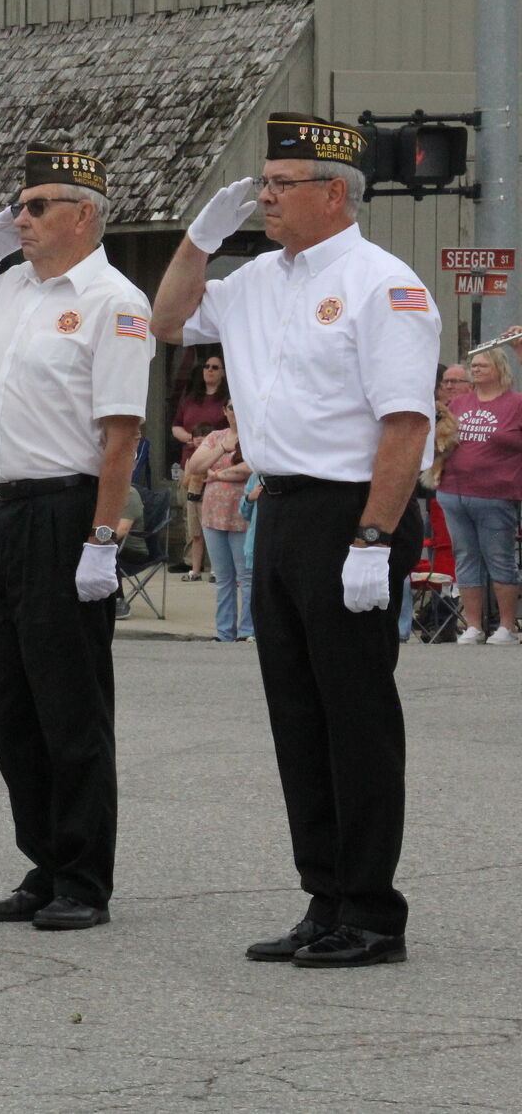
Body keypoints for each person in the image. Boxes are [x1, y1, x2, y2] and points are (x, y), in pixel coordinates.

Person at [152, 111, 436, 968]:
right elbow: (169, 319)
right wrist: (201, 236)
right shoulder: (256, 280)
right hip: (278, 506)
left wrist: (373, 538)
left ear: (334, 193)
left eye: (280, 186)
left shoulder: (382, 283)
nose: (264, 197)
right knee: (297, 718)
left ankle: (373, 910)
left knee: (356, 718)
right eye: (262, 185)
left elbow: (405, 424)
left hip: (353, 510)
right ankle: (324, 896)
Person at [0, 144, 151, 932]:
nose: (20, 217)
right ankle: (43, 859)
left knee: (70, 704)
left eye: (36, 206)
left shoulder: (113, 300)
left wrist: (101, 539)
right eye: (16, 206)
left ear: (83, 214)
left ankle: (84, 876)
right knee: (15, 702)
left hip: (65, 511)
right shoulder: (12, 286)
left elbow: (119, 435)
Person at [436, 344, 522, 644]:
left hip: (496, 492)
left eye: (483, 364)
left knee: (499, 558)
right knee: (465, 557)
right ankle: (473, 625)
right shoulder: (460, 404)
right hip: (453, 491)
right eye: (474, 365)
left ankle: (507, 626)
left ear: (500, 369)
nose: (476, 369)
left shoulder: (515, 403)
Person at [189, 396, 254, 642]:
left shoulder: (253, 436)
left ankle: (247, 631)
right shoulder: (215, 437)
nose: (235, 412)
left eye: (239, 407)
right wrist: (222, 449)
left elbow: (251, 468)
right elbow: (195, 466)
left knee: (245, 576)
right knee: (224, 577)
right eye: (231, 408)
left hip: (242, 514)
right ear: (224, 411)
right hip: (213, 514)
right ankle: (224, 632)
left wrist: (216, 474)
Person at [171, 348, 229, 579]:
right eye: (206, 366)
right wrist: (188, 438)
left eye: (215, 367)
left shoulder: (226, 401)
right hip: (190, 460)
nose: (209, 371)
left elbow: (232, 431)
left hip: (216, 464)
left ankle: (214, 564)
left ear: (223, 373)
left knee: (213, 512)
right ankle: (191, 562)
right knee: (191, 513)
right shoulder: (190, 399)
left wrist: (210, 443)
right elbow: (175, 425)